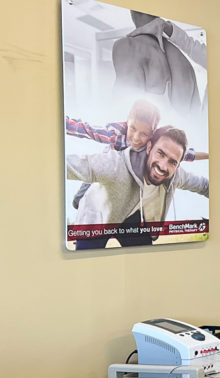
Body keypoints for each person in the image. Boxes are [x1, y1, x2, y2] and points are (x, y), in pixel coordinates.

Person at [66, 126, 209, 249]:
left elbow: (203, 185)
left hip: (129, 212)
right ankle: (81, 197)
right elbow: (71, 164)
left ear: (178, 165)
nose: (163, 166)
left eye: (172, 162)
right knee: (90, 267)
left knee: (146, 256)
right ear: (148, 147)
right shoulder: (116, 163)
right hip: (98, 215)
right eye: (160, 153)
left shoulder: (175, 173)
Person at [65, 99, 208, 209]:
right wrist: (62, 122)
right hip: (106, 167)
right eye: (133, 128)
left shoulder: (153, 144)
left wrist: (209, 155)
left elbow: (187, 154)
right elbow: (87, 130)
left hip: (125, 179)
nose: (136, 137)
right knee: (78, 200)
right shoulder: (115, 134)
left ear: (152, 133)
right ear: (128, 122)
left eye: (144, 134)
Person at [112, 11, 201, 115]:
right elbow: (198, 122)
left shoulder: (128, 46)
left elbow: (126, 112)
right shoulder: (186, 64)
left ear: (133, 11)